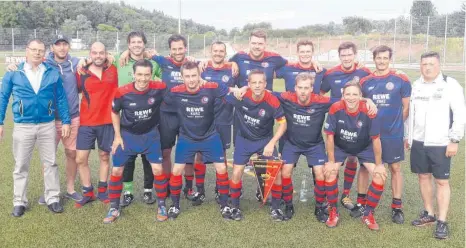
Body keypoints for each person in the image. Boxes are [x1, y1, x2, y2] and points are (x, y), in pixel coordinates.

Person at [163, 61, 246, 220]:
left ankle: (224, 205)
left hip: (210, 136)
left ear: (199, 75)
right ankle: (174, 205)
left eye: (194, 75)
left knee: (221, 168)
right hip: (187, 137)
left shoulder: (211, 87)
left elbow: (229, 90)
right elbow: (164, 104)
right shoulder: (175, 92)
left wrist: (242, 89)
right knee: (176, 170)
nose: (191, 79)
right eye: (187, 76)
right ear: (182, 77)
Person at [6, 35, 83, 203]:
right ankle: (32, 197)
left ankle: (63, 192)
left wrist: (67, 120)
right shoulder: (42, 65)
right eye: (58, 45)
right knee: (36, 161)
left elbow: (62, 97)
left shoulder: (74, 63)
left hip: (68, 118)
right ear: (52, 48)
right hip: (41, 121)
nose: (62, 48)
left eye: (65, 44)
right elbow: (4, 95)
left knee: (65, 155)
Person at [406, 51, 465, 239]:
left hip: (441, 143)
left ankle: (442, 221)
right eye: (424, 64)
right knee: (423, 176)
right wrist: (409, 137)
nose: (427, 67)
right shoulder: (416, 85)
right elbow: (411, 114)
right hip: (419, 141)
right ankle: (429, 214)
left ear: (439, 65)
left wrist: (454, 140)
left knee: (441, 181)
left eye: (431, 64)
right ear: (420, 66)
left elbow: (460, 113)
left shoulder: (450, 85)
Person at [103, 59, 168, 223]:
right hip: (127, 136)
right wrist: (117, 136)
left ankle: (161, 205)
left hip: (151, 135)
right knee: (117, 170)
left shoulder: (159, 88)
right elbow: (114, 112)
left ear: (151, 74)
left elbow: (182, 89)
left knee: (158, 169)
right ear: (133, 74)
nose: (143, 78)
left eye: (147, 74)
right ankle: (113, 207)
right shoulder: (121, 92)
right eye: (139, 74)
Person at [323, 81, 386, 231]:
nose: (351, 98)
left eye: (355, 94)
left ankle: (368, 213)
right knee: (330, 172)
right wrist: (331, 162)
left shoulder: (369, 111)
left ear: (361, 96)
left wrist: (379, 165)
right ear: (342, 96)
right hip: (341, 146)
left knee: (380, 176)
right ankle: (333, 211)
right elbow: (329, 137)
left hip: (364, 147)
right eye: (348, 94)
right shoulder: (335, 108)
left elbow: (376, 139)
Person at [359, 45, 411, 224]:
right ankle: (363, 203)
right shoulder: (366, 81)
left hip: (393, 134)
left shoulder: (401, 79)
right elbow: (359, 101)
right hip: (371, 135)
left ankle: (397, 207)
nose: (381, 61)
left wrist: (396, 125)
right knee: (365, 168)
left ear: (390, 59)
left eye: (385, 58)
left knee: (395, 169)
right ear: (374, 59)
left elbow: (406, 108)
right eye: (378, 58)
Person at [227, 70, 287, 221]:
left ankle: (276, 208)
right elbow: (220, 90)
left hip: (264, 141)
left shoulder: (272, 100)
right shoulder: (241, 96)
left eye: (261, 82)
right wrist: (238, 89)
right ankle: (234, 207)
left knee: (277, 171)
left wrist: (272, 143)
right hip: (244, 140)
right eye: (253, 82)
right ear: (248, 84)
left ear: (266, 84)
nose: (257, 85)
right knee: (237, 171)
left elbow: (283, 124)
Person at [320, 41, 372, 213]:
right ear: (339, 56)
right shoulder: (331, 73)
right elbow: (321, 94)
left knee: (352, 159)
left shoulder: (364, 72)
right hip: (337, 122)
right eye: (343, 55)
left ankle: (346, 194)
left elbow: (376, 79)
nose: (347, 58)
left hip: (356, 122)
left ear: (355, 55)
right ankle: (331, 199)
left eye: (350, 54)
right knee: (333, 162)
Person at [275, 72, 333, 222]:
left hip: (314, 145)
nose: (302, 91)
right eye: (300, 87)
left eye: (306, 88)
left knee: (320, 173)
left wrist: (366, 100)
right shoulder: (287, 97)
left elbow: (345, 100)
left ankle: (319, 207)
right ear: (295, 87)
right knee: (285, 172)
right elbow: (264, 92)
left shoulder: (321, 101)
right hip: (292, 143)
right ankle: (288, 205)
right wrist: (242, 89)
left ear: (311, 88)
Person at [114, 31, 163, 207]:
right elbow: (102, 58)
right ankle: (127, 192)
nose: (136, 45)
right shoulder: (120, 60)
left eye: (139, 42)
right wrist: (84, 60)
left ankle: (148, 191)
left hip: (149, 116)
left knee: (148, 159)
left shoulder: (154, 64)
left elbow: (161, 82)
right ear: (128, 45)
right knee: (128, 158)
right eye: (133, 42)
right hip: (127, 115)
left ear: (144, 44)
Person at [75, 42, 118, 207]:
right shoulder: (81, 72)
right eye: (95, 53)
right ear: (90, 54)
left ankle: (102, 190)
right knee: (81, 158)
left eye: (101, 53)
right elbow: (76, 90)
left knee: (104, 156)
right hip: (86, 122)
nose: (98, 56)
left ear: (106, 53)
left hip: (107, 121)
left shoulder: (113, 69)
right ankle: (87, 192)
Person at [199, 41, 237, 205]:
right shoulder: (201, 68)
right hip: (203, 118)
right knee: (199, 154)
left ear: (225, 53)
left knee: (220, 156)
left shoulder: (232, 70)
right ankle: (200, 190)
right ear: (210, 51)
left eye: (221, 51)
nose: (218, 53)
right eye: (215, 51)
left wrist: (234, 63)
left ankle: (219, 189)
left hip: (224, 118)